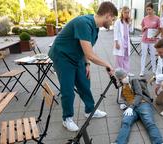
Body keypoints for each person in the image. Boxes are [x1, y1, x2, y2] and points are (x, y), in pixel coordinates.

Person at [48, 2, 118, 132]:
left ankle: (90, 110)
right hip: (62, 56)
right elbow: (90, 54)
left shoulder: (95, 27)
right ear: (108, 15)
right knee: (68, 89)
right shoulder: (83, 23)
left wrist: (87, 64)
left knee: (84, 83)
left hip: (77, 56)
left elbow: (86, 48)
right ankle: (67, 118)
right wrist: (107, 64)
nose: (112, 22)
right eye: (113, 19)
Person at [112, 68, 163, 144]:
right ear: (119, 79)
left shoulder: (134, 80)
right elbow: (116, 85)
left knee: (149, 122)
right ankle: (119, 142)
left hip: (142, 103)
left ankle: (159, 142)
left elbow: (139, 94)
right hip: (131, 108)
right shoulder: (122, 84)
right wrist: (125, 104)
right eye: (122, 77)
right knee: (125, 122)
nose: (125, 77)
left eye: (125, 75)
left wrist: (131, 107)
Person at [140, 2, 160, 77]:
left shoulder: (157, 18)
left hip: (153, 40)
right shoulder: (144, 19)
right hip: (144, 40)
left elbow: (159, 29)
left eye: (149, 9)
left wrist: (155, 35)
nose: (148, 11)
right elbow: (141, 29)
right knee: (143, 55)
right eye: (147, 9)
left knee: (153, 55)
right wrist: (144, 28)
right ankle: (142, 71)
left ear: (152, 9)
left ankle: (154, 70)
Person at [113, 6, 134, 77]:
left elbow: (131, 31)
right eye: (125, 12)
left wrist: (131, 23)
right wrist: (116, 43)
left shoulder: (127, 21)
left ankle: (126, 72)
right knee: (120, 60)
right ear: (122, 13)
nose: (127, 14)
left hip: (126, 43)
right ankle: (119, 74)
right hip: (120, 43)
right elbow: (115, 33)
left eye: (128, 12)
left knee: (126, 58)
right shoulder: (118, 22)